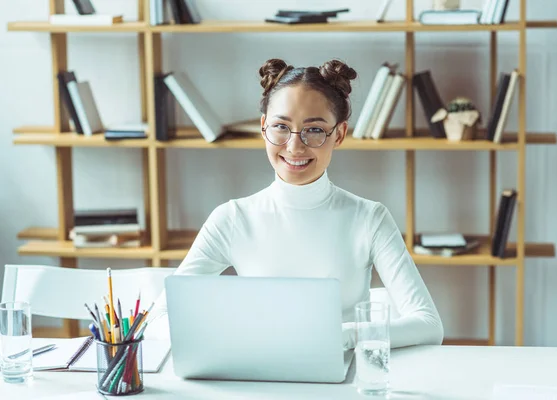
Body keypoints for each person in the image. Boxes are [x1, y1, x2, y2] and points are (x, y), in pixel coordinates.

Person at [146, 58, 444, 349]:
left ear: (338, 134)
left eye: (314, 130)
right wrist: (228, 333)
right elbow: (159, 319)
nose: (294, 146)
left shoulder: (369, 217)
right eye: (281, 127)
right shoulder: (233, 218)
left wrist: (343, 337)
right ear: (264, 127)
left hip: (344, 380)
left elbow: (428, 324)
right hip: (260, 374)